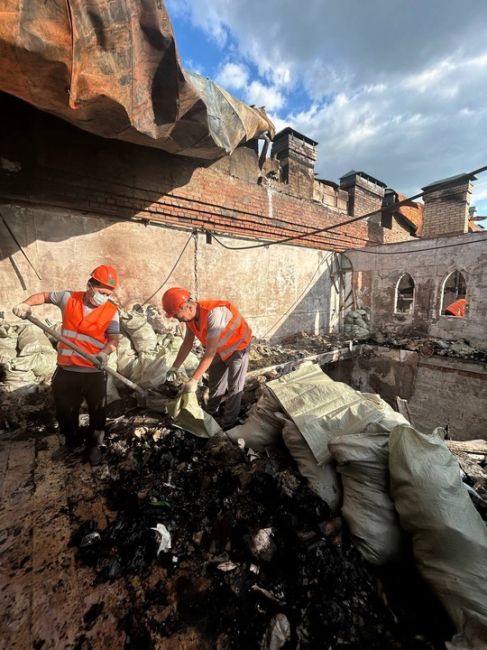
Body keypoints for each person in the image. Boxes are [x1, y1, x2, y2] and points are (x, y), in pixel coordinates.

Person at [12, 265, 120, 464]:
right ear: (90, 286)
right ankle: (72, 443)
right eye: (101, 292)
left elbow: (113, 339)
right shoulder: (69, 298)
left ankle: (95, 445)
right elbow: (44, 296)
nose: (104, 297)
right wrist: (26, 304)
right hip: (66, 370)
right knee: (65, 411)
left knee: (98, 412)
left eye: (107, 294)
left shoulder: (112, 311)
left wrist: (104, 354)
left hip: (93, 371)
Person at [162, 288, 252, 430]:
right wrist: (175, 366)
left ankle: (228, 424)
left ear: (188, 307)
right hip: (219, 348)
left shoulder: (213, 313)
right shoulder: (190, 319)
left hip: (238, 346)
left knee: (235, 387)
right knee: (215, 384)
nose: (177, 319)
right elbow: (187, 343)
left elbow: (209, 352)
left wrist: (194, 380)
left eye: (177, 315)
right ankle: (211, 414)